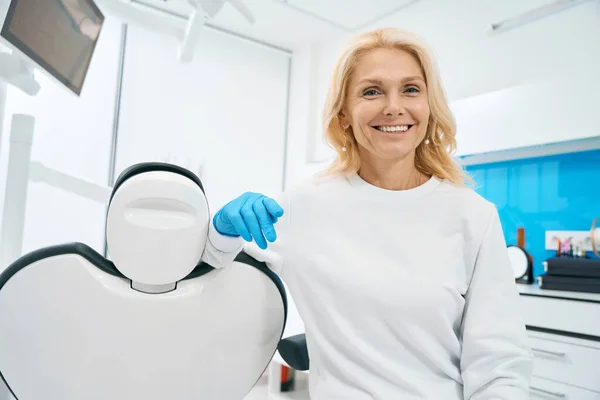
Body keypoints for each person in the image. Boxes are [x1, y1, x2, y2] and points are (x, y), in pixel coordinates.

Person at [201, 27, 533, 399]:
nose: (394, 107)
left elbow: (499, 367)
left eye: (410, 89)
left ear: (429, 106)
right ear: (344, 113)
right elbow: (205, 267)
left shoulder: (472, 216)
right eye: (372, 91)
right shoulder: (305, 204)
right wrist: (221, 228)